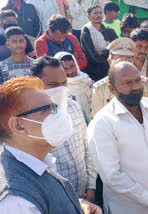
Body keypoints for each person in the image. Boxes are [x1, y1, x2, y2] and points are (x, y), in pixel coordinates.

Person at [87, 61, 148, 214]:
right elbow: (112, 176)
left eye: (138, 80)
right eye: (128, 83)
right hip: (129, 209)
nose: (136, 87)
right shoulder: (102, 123)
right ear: (112, 89)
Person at [0, 76, 102, 214]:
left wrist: (78, 205)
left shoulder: (38, 162)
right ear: (18, 126)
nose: (60, 115)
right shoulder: (16, 201)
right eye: (48, 109)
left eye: (56, 107)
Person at [31, 55, 97, 202]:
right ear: (36, 84)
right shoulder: (28, 122)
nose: (61, 89)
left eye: (64, 83)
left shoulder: (73, 106)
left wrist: (91, 187)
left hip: (85, 195)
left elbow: (87, 147)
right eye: (54, 84)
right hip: (54, 201)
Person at [90, 37, 136, 118]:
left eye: (128, 59)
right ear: (110, 61)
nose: (124, 63)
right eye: (119, 59)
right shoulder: (100, 89)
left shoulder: (143, 85)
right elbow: (97, 120)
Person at [81, 5, 118, 81]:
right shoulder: (86, 32)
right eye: (95, 13)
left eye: (100, 13)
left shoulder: (109, 31)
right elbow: (93, 56)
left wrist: (102, 52)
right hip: (94, 72)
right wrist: (109, 53)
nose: (99, 15)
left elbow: (118, 48)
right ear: (89, 17)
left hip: (110, 69)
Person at [54, 52, 93, 124]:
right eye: (65, 68)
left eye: (72, 66)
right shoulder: (58, 89)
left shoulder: (87, 81)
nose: (70, 71)